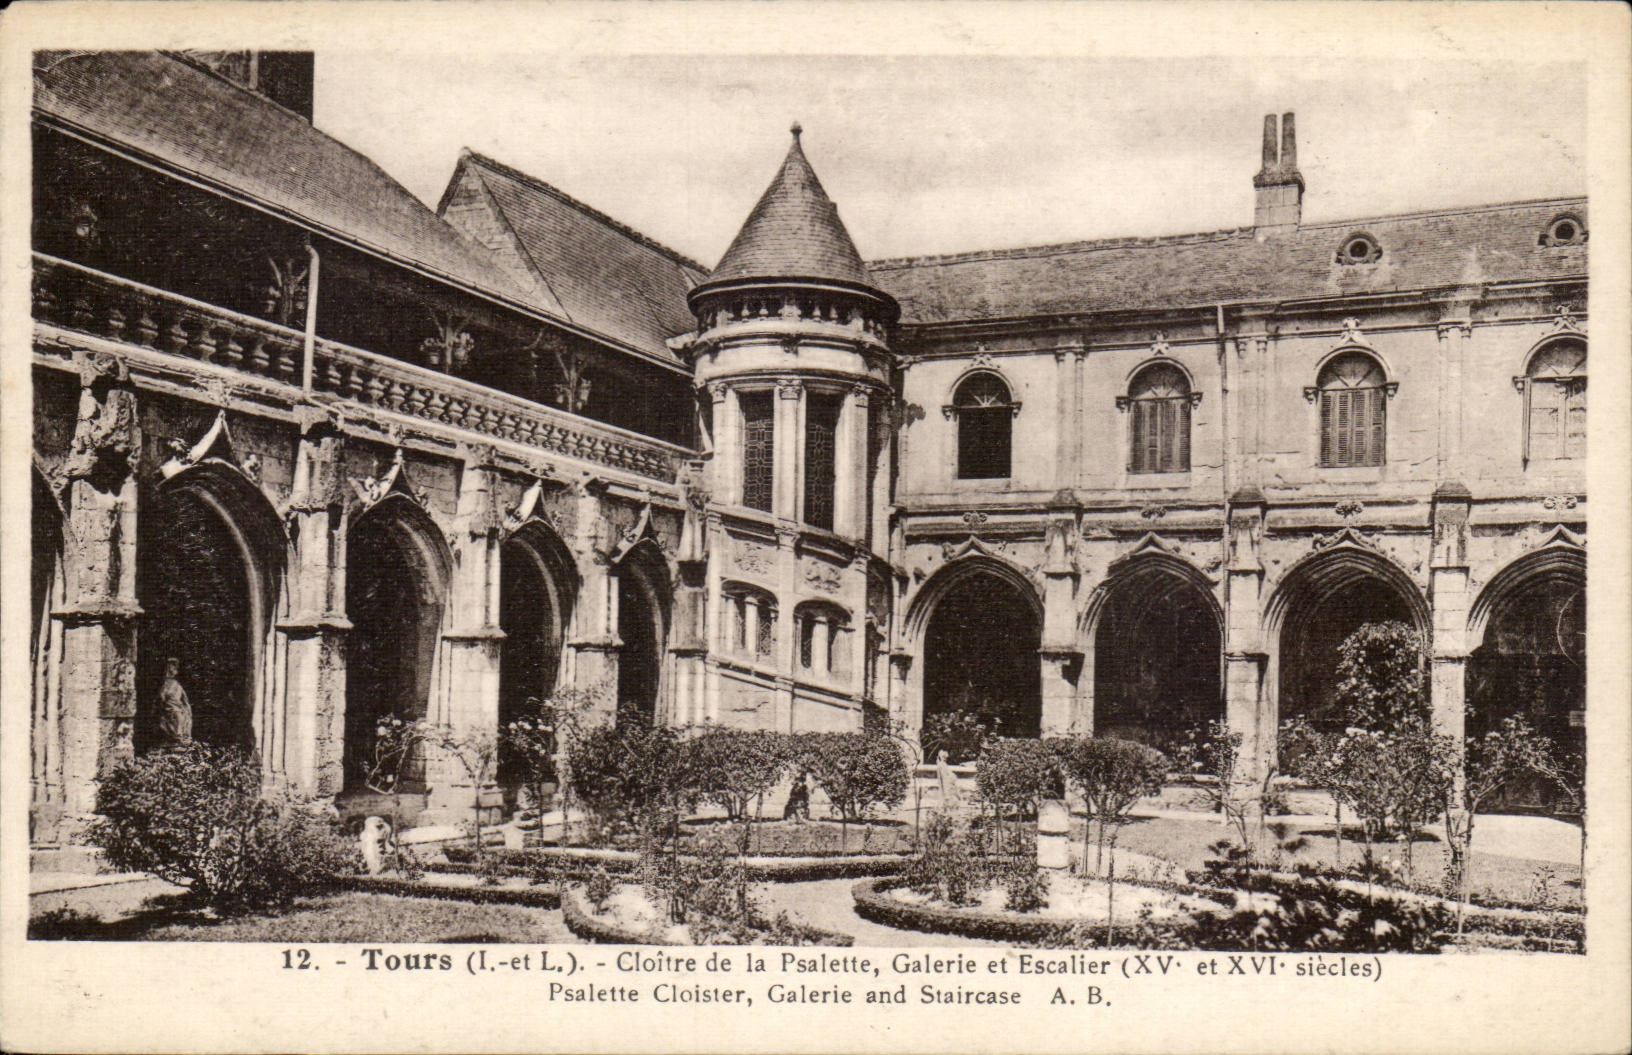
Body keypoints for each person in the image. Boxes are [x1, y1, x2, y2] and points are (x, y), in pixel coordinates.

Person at [157, 657, 192, 745]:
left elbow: (185, 701)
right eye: (169, 668)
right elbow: (161, 698)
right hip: (171, 710)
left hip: (175, 710)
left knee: (179, 717)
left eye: (173, 667)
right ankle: (176, 739)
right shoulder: (168, 685)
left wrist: (187, 710)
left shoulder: (175, 685)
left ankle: (179, 738)